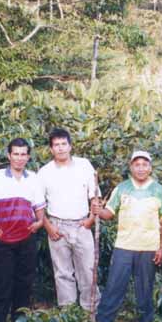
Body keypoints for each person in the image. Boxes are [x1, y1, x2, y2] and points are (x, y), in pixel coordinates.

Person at [94, 151, 162, 322]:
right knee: (114, 285)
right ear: (131, 167)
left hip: (149, 247)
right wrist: (99, 210)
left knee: (145, 288)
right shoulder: (122, 188)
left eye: (145, 164)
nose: (141, 168)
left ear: (150, 168)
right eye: (137, 164)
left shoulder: (158, 190)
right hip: (124, 246)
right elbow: (109, 214)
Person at [0, 138, 46, 322]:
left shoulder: (34, 178)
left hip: (27, 239)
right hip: (4, 241)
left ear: (28, 156)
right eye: (15, 154)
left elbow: (39, 207)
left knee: (24, 284)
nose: (19, 158)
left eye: (23, 154)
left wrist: (40, 222)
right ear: (9, 155)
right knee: (2, 286)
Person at [37, 128, 100, 311]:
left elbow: (94, 196)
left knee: (88, 270)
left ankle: (91, 309)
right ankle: (68, 312)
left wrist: (90, 220)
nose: (61, 148)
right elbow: (38, 205)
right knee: (62, 272)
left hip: (82, 225)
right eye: (56, 145)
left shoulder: (84, 165)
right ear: (51, 149)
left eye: (64, 144)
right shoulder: (44, 172)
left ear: (70, 146)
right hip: (57, 226)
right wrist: (48, 227)